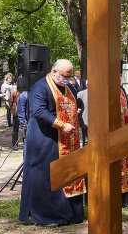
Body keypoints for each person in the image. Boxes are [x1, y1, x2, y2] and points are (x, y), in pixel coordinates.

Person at [18, 59, 85, 225]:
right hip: (44, 138)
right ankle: (47, 216)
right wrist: (62, 125)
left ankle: (70, 214)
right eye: (65, 76)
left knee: (68, 173)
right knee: (45, 174)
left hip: (67, 139)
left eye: (69, 76)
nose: (67, 79)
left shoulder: (69, 88)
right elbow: (39, 111)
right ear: (54, 71)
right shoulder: (39, 87)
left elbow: (75, 103)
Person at [8, 85, 20, 151]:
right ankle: (15, 145)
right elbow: (10, 100)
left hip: (24, 111)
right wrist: (12, 109)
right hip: (17, 112)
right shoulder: (14, 91)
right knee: (15, 128)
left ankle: (26, 144)